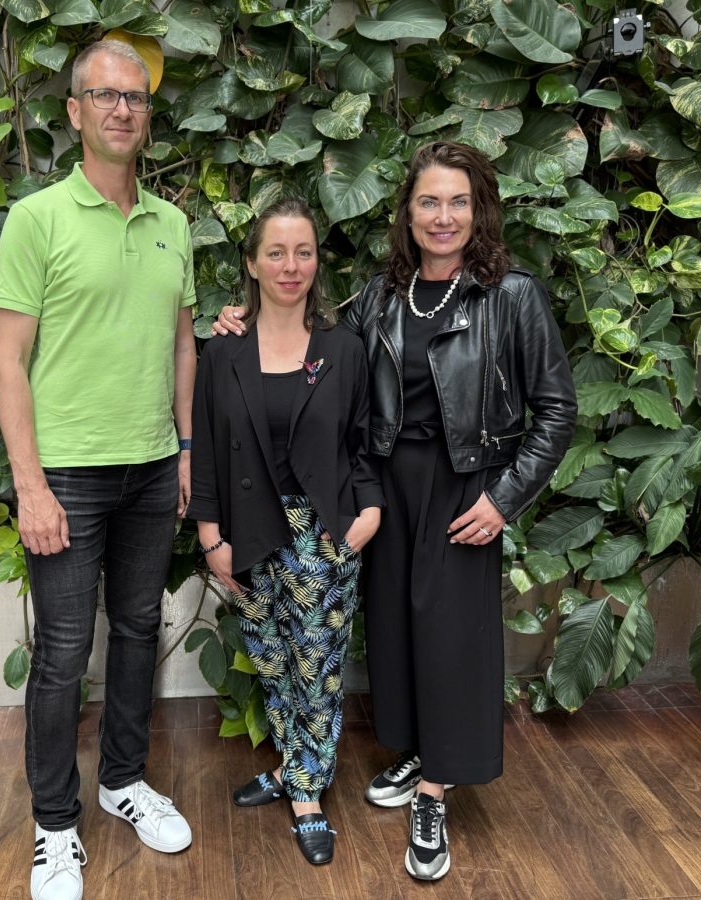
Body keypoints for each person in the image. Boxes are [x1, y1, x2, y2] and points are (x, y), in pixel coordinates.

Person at [214, 141, 576, 881]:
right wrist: (240, 319)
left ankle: (436, 791)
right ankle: (417, 752)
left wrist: (504, 498)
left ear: (479, 210)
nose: (443, 217)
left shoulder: (511, 295)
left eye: (458, 202)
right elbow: (306, 327)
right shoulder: (384, 295)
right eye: (428, 202)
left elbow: (557, 411)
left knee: (451, 635)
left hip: (464, 486)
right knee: (396, 632)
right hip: (383, 482)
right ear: (407, 214)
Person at [0, 39, 196, 900]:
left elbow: (181, 345)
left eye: (135, 98)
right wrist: (30, 486)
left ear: (147, 115)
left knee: (139, 629)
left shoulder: (174, 224)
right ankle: (54, 826)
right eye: (105, 96)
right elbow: (8, 360)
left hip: (151, 467)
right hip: (67, 474)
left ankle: (122, 782)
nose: (122, 109)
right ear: (75, 112)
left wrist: (185, 448)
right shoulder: (37, 220)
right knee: (64, 653)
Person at [187, 197, 383, 865]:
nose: (290, 265)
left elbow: (363, 443)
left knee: (317, 670)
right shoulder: (223, 350)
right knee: (273, 664)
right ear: (251, 263)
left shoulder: (343, 349)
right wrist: (210, 535)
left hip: (322, 532)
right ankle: (295, 763)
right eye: (276, 252)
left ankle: (305, 794)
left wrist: (368, 514)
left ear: (317, 262)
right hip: (247, 530)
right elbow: (207, 449)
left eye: (303, 252)